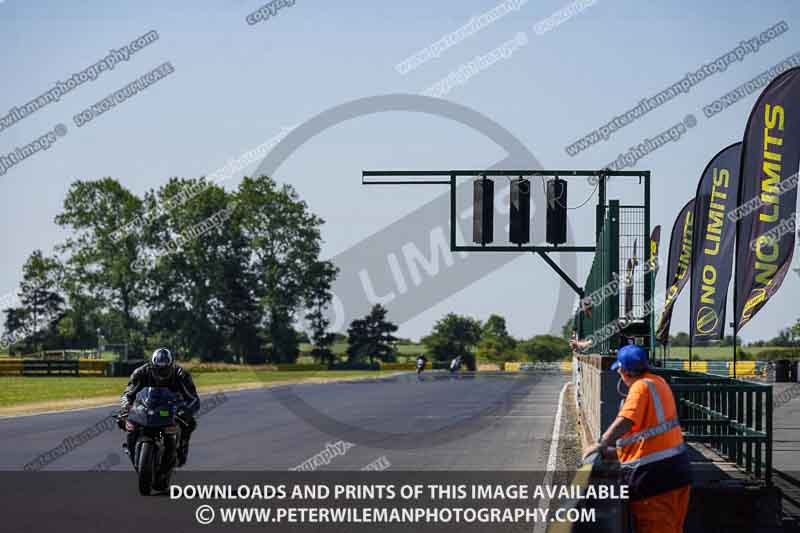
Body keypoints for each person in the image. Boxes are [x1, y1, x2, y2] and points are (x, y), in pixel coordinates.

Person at [582, 344, 691, 533]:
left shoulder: (639, 388)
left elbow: (625, 421)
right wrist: (615, 454)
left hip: (655, 480)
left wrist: (601, 444)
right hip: (677, 473)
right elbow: (651, 438)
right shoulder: (658, 382)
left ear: (623, 371)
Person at [119, 348, 200, 469]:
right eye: (158, 369)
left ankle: (182, 448)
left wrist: (186, 411)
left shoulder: (181, 374)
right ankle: (132, 449)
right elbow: (127, 394)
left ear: (171, 366)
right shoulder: (141, 372)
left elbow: (194, 399)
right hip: (146, 406)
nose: (161, 373)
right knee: (124, 420)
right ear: (152, 366)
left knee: (190, 423)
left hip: (171, 408)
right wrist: (126, 407)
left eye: (165, 369)